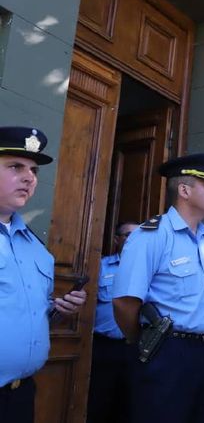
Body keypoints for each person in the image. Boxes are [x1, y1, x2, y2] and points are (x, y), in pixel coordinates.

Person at [113, 153, 204, 423]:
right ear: (184, 190)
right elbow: (124, 302)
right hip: (167, 350)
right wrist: (139, 339)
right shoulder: (151, 235)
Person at [0, 126, 87, 422]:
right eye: (15, 166)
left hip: (20, 393)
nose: (29, 177)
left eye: (34, 171)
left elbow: (27, 313)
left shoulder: (37, 249)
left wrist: (59, 310)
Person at [87, 221, 139, 423]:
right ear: (117, 239)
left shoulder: (151, 271)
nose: (134, 239)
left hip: (136, 349)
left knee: (130, 406)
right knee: (99, 404)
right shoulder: (101, 266)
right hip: (104, 348)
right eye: (128, 235)